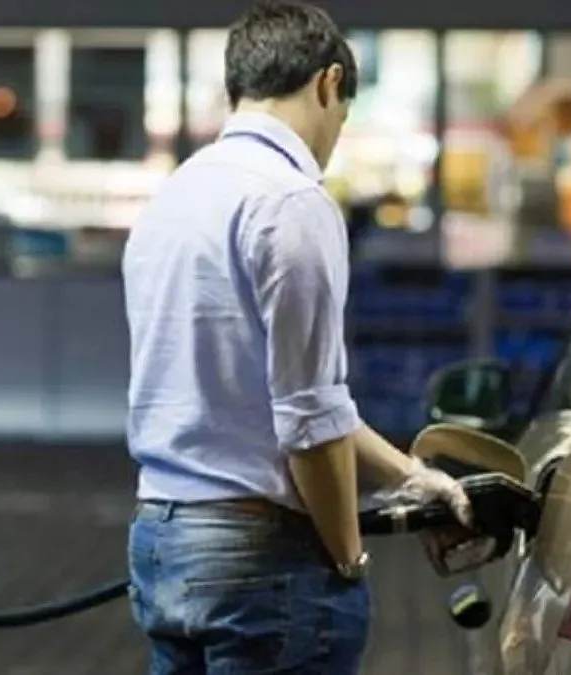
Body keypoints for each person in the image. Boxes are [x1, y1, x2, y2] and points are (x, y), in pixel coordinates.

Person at [121, 2, 473, 672]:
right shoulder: (291, 200)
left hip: (164, 540)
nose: (336, 133)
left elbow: (283, 400)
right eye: (344, 112)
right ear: (329, 83)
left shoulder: (175, 196)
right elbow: (308, 419)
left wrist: (411, 476)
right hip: (261, 557)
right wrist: (346, 556)